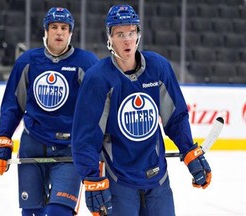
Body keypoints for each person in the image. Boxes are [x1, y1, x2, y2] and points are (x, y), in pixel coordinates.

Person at [71, 4, 212, 216]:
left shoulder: (158, 68)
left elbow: (175, 117)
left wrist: (189, 150)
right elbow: (86, 136)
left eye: (131, 32)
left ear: (138, 34)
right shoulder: (98, 78)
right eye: (120, 34)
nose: (127, 39)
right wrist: (91, 177)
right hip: (119, 180)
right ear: (109, 38)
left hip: (157, 178)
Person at [0, 7, 99, 216]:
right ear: (46, 31)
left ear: (71, 33)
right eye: (54, 27)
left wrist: (99, 147)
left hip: (70, 149)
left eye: (64, 28)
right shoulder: (28, 61)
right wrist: (3, 137)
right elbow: (13, 104)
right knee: (32, 213)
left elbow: (99, 110)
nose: (59, 32)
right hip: (33, 145)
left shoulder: (87, 63)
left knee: (59, 212)